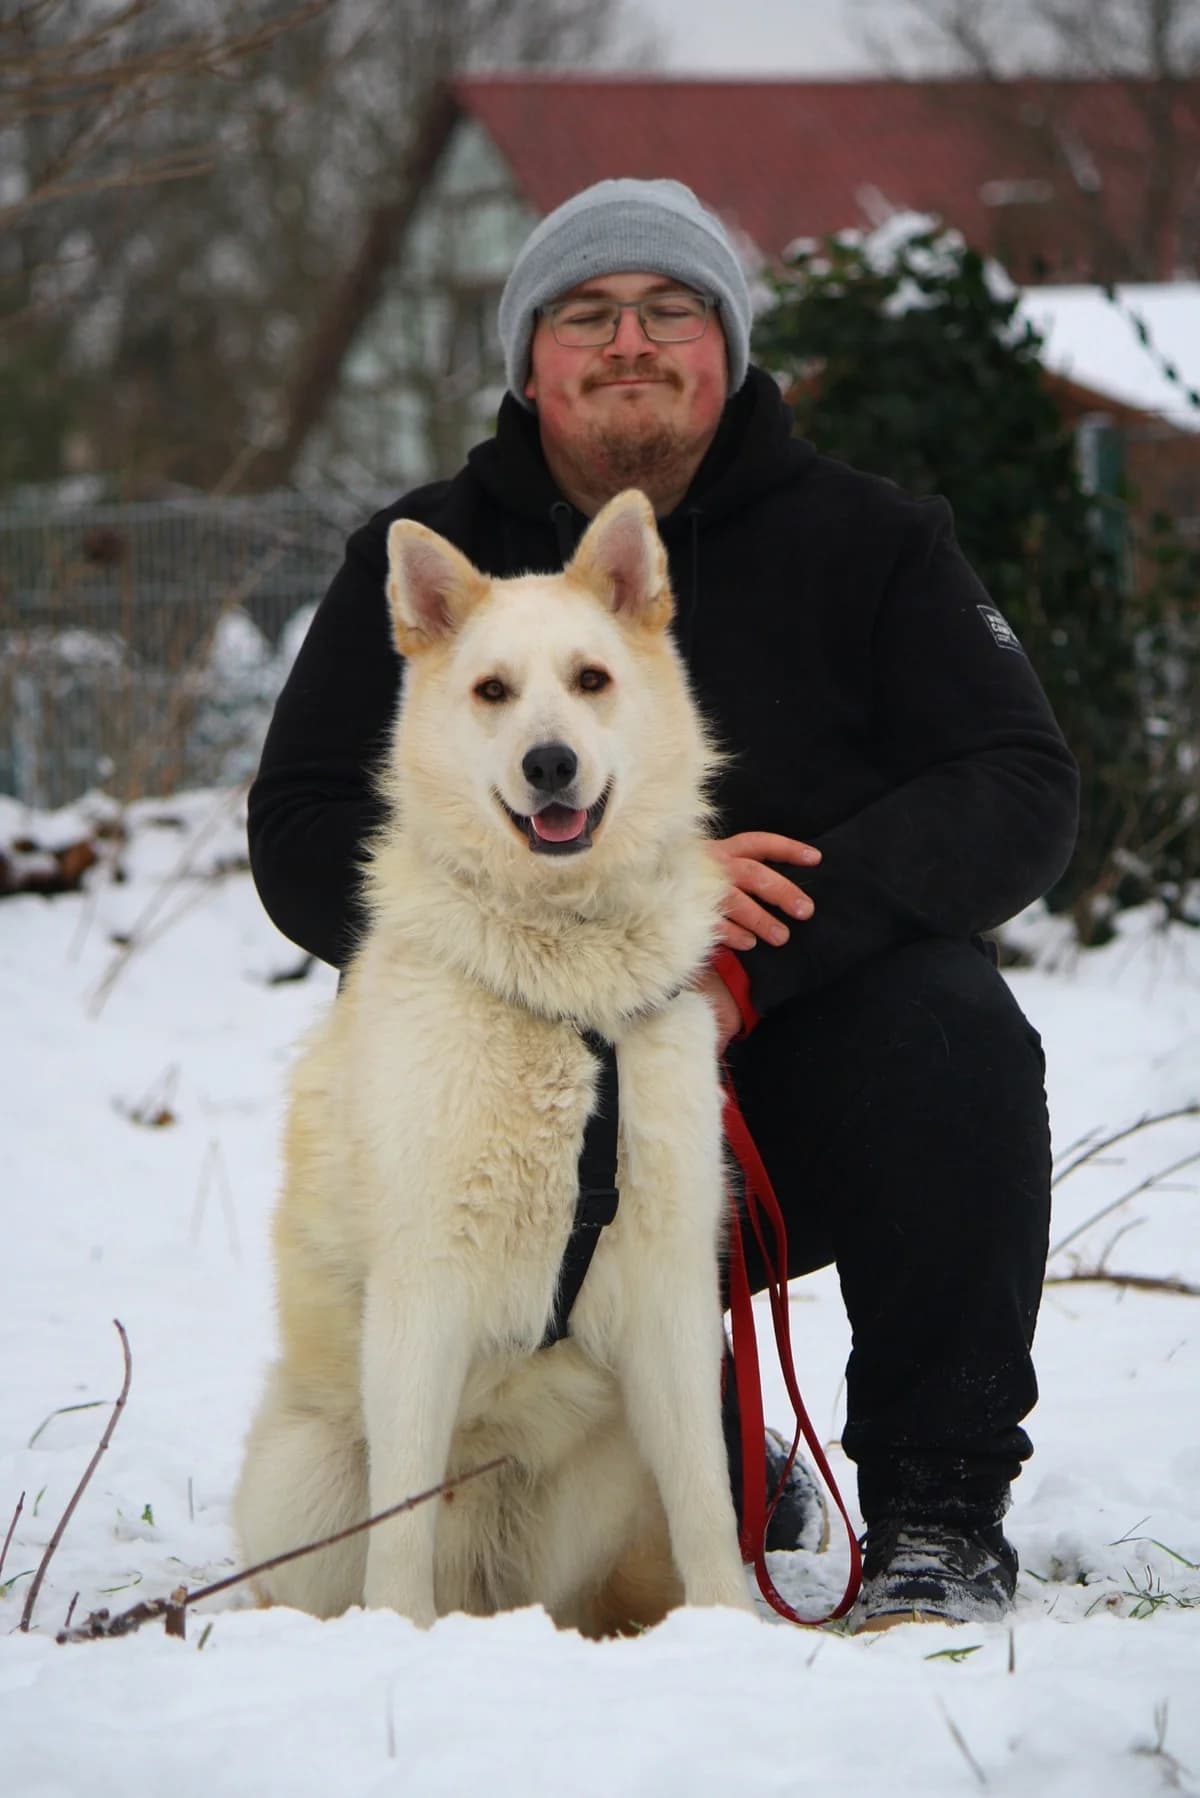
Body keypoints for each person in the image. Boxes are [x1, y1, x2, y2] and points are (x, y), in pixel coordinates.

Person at [248, 177, 1079, 1630]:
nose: (629, 340)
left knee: (961, 1037)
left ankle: (938, 1513)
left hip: (795, 1049)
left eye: (671, 308)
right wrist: (527, 911)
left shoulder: (876, 542)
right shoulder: (425, 548)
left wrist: (778, 923)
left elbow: (1019, 781)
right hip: (508, 1069)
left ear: (730, 347)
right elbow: (301, 828)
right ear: (529, 361)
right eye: (586, 313)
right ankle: (682, 1429)